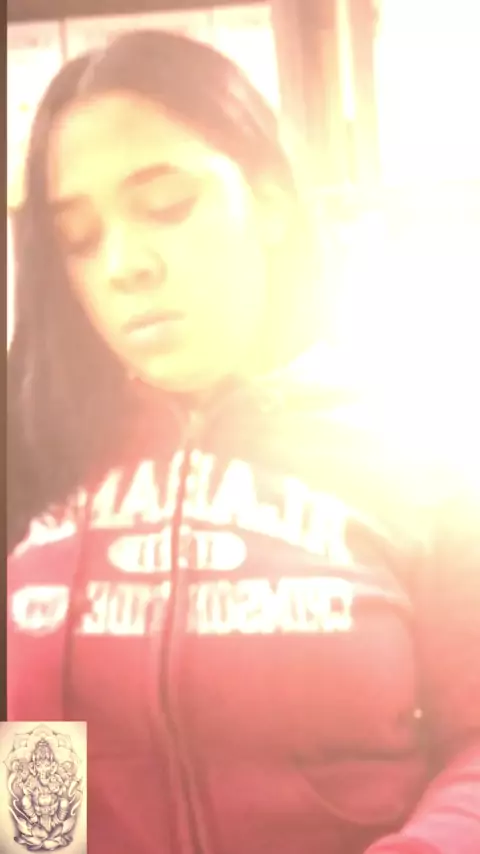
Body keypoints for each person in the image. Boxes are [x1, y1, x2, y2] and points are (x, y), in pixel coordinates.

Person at [7, 29, 479, 854]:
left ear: (267, 203)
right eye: (79, 238)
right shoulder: (37, 447)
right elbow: (33, 758)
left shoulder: (418, 448)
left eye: (167, 207)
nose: (122, 265)